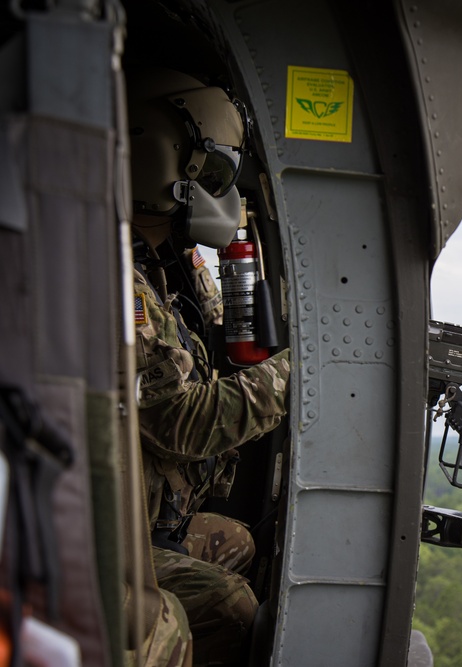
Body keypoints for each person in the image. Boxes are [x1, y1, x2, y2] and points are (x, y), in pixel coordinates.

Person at [126, 67, 291, 665]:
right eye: (217, 171)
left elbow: (222, 339)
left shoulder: (169, 267)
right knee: (232, 607)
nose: (226, 193)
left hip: (149, 520)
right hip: (100, 531)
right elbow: (180, 422)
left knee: (240, 542)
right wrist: (299, 377)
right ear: (160, 160)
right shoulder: (117, 280)